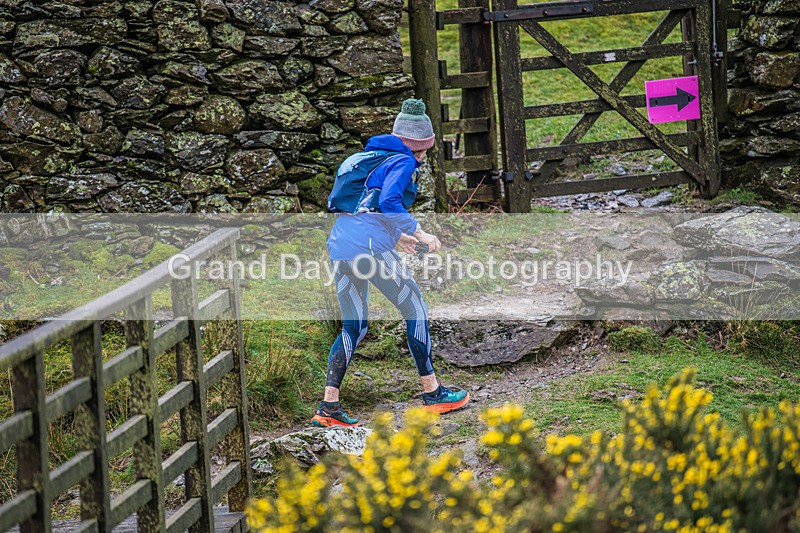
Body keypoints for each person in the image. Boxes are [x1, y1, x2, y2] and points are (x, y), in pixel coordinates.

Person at [311, 98, 470, 427]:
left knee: (354, 327)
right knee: (416, 309)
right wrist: (419, 231)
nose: (422, 158)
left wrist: (398, 238)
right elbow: (389, 201)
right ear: (417, 145)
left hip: (341, 247)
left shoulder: (368, 157)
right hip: (371, 251)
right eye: (423, 151)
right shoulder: (404, 160)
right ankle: (433, 393)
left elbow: (364, 207)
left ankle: (328, 407)